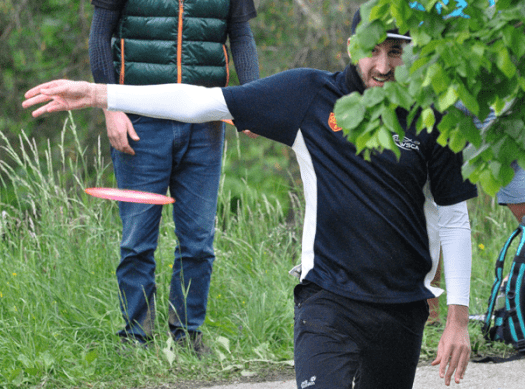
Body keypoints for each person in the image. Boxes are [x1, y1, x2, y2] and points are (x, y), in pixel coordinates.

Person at [23, 8, 477, 388]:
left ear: (410, 51)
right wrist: (100, 93)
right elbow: (200, 102)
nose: (382, 65)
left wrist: (457, 317)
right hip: (328, 302)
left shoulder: (433, 118)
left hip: (401, 308)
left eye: (394, 51)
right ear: (352, 46)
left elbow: (454, 219)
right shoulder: (310, 96)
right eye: (372, 49)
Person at [87, 0, 259, 353]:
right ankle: (136, 337)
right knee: (137, 240)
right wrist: (111, 108)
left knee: (198, 240)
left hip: (205, 121)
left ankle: (187, 336)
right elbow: (99, 34)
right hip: (139, 119)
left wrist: (254, 102)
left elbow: (240, 35)